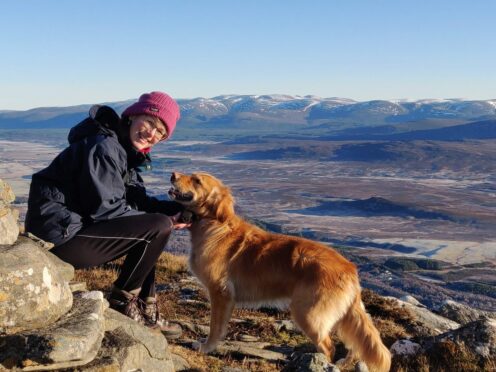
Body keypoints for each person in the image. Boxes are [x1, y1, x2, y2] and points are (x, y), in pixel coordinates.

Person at [25, 91, 186, 337]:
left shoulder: (123, 151)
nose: (151, 134)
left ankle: (146, 305)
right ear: (132, 116)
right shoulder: (104, 148)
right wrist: (167, 221)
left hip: (75, 230)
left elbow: (138, 201)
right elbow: (106, 210)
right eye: (150, 123)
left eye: (160, 133)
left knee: (155, 224)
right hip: (59, 239)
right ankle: (123, 301)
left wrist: (181, 211)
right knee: (158, 226)